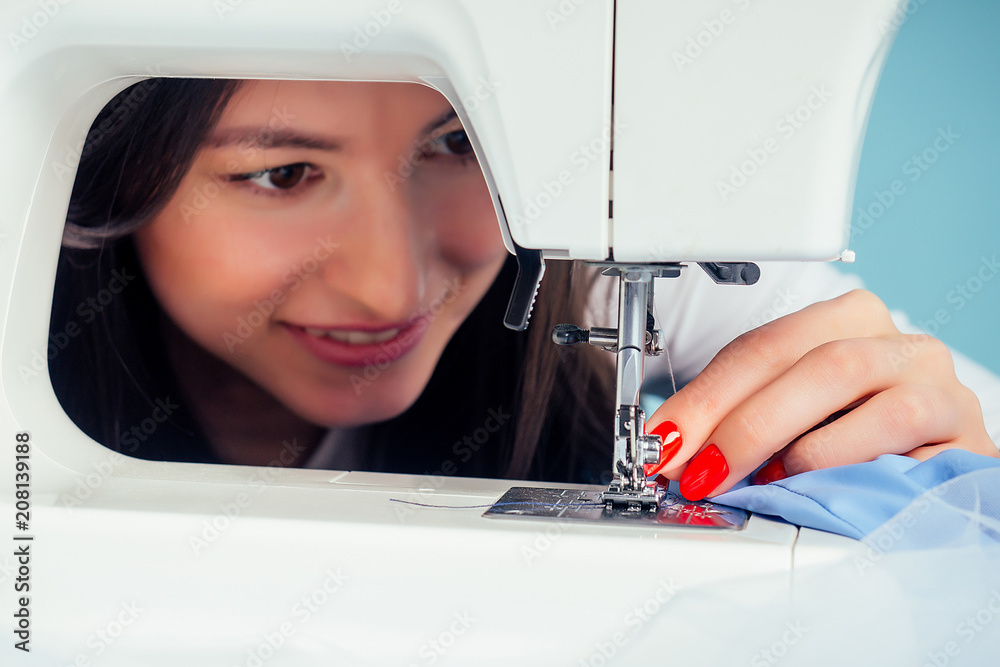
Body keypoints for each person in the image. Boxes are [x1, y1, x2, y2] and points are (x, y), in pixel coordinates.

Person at [50, 78, 1000, 502]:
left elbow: (930, 415)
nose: (393, 285)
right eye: (284, 173)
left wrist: (950, 457)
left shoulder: (592, 271)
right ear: (104, 165)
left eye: (457, 145)